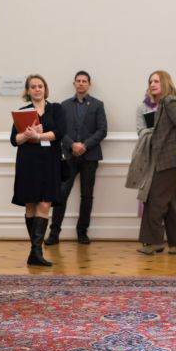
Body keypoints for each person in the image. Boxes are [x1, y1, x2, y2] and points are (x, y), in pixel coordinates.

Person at [125, 69, 176, 256]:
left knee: (154, 199)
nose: (152, 84)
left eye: (156, 81)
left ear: (165, 82)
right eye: (150, 82)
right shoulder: (163, 103)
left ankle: (153, 242)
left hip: (170, 162)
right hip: (166, 161)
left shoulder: (170, 101)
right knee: (171, 202)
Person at [10, 74, 64, 267]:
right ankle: (34, 252)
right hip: (28, 163)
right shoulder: (22, 112)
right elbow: (14, 140)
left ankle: (36, 251)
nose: (37, 89)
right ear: (28, 90)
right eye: (33, 86)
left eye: (40, 86)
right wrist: (27, 135)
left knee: (44, 204)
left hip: (50, 162)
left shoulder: (56, 109)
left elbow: (59, 132)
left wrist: (38, 135)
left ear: (45, 88)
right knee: (31, 205)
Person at [48, 71, 106, 246]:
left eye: (84, 81)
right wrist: (72, 145)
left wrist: (84, 145)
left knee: (86, 196)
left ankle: (82, 232)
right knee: (61, 194)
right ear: (74, 84)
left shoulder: (97, 105)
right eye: (78, 81)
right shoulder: (64, 105)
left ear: (89, 84)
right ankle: (54, 233)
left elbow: (102, 130)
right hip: (68, 156)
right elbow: (59, 129)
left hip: (90, 156)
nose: (81, 84)